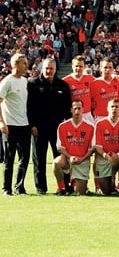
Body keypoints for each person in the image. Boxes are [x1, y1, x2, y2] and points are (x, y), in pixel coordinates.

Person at [27, 57, 72, 194]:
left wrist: (67, 125)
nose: (49, 71)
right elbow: (29, 107)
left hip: (57, 129)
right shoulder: (33, 84)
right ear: (42, 68)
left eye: (51, 68)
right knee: (38, 159)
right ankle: (41, 188)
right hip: (39, 128)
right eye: (46, 68)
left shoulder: (63, 85)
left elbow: (67, 108)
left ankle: (65, 186)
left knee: (61, 159)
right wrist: (32, 124)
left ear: (55, 69)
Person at [0, 54, 31, 195]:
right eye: (24, 63)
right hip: (10, 125)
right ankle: (6, 188)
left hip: (24, 125)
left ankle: (19, 187)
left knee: (24, 158)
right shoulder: (7, 82)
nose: (26, 66)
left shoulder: (25, 81)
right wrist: (1, 122)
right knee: (9, 159)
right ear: (15, 65)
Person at [53, 100, 95, 196]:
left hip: (83, 160)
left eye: (79, 108)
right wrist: (70, 156)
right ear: (71, 110)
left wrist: (82, 159)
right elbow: (60, 148)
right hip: (68, 159)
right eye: (75, 108)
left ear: (83, 110)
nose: (77, 111)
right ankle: (61, 188)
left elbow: (92, 149)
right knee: (56, 163)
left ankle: (74, 182)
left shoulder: (91, 127)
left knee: (80, 193)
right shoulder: (62, 126)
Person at [93, 99, 119, 195]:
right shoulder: (100, 124)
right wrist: (106, 156)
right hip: (104, 158)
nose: (114, 109)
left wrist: (117, 155)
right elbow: (97, 146)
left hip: (117, 158)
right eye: (112, 106)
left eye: (116, 107)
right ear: (107, 109)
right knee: (107, 191)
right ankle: (105, 183)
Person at [63, 55, 95, 124]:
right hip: (73, 115)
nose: (78, 68)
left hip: (87, 114)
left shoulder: (90, 78)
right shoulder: (65, 81)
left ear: (84, 67)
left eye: (81, 66)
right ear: (72, 66)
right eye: (76, 66)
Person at [90, 57, 118, 122]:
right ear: (100, 68)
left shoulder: (118, 81)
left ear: (113, 69)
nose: (108, 70)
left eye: (110, 67)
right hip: (100, 117)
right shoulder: (94, 83)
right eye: (105, 67)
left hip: (116, 116)